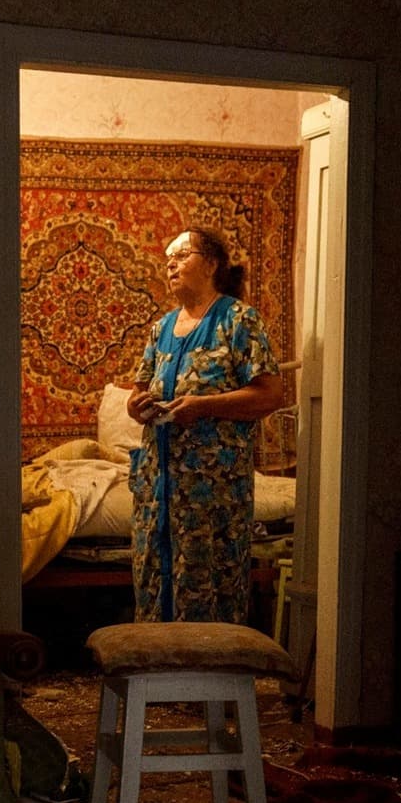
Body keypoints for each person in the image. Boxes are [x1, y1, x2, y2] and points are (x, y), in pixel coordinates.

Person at [125, 227, 286, 625]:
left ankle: (209, 679)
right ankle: (156, 674)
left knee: (207, 580)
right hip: (158, 486)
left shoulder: (238, 320)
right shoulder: (159, 329)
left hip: (212, 491)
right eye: (168, 259)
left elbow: (269, 396)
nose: (171, 264)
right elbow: (136, 393)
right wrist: (137, 406)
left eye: (182, 255)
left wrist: (204, 407)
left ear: (212, 263)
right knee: (154, 578)